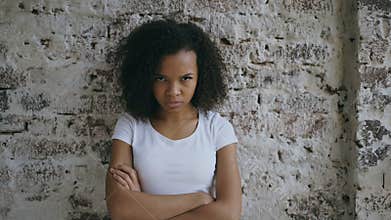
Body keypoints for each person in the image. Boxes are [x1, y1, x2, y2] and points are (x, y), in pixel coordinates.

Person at [105, 19, 242, 220]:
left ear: (200, 77)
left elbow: (229, 214)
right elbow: (119, 209)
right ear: (145, 77)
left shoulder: (218, 129)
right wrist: (197, 199)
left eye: (185, 78)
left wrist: (142, 208)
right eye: (161, 78)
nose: (173, 91)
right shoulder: (131, 125)